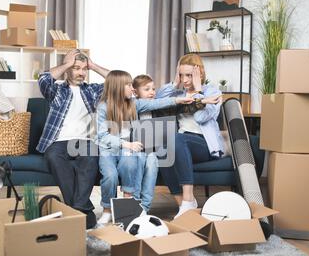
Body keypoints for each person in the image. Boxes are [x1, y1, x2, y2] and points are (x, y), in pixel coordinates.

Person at [96, 70, 194, 225]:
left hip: (128, 150)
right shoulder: (103, 107)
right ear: (117, 87)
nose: (132, 88)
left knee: (132, 162)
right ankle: (107, 210)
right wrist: (126, 144)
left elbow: (156, 103)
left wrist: (179, 100)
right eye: (128, 85)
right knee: (110, 176)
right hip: (109, 149)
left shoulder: (134, 104)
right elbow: (102, 136)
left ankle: (131, 207)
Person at [37, 49, 110, 229]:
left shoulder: (92, 91)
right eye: (76, 68)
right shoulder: (57, 91)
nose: (81, 73)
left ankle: (73, 209)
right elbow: (43, 79)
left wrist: (92, 65)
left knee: (90, 157)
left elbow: (118, 81)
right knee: (53, 157)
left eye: (84, 69)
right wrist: (67, 63)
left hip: (84, 141)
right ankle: (82, 209)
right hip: (58, 141)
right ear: (68, 69)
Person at [158, 53, 224, 219]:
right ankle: (183, 205)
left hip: (204, 144)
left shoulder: (212, 92)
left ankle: (188, 200)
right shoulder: (179, 94)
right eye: (181, 75)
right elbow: (158, 100)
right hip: (181, 143)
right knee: (162, 150)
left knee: (177, 139)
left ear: (199, 74)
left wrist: (199, 92)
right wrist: (174, 83)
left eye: (189, 75)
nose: (185, 80)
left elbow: (201, 117)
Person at [131, 74, 175, 213]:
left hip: (153, 150)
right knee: (138, 160)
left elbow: (165, 132)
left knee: (151, 162)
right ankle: (134, 202)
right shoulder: (131, 107)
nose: (152, 92)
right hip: (134, 149)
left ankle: (145, 206)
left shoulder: (159, 109)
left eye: (153, 89)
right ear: (135, 92)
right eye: (147, 89)